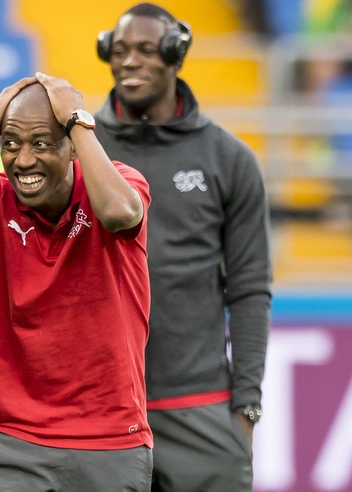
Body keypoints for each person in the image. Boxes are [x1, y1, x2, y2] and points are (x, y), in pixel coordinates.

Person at [0, 72, 153, 491]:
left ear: (72, 146)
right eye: (11, 144)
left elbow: (120, 213)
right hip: (14, 445)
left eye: (42, 143)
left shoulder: (121, 182)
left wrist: (79, 122)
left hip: (110, 444)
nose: (23, 160)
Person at [93, 3, 272, 491]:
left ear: (176, 55)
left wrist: (246, 409)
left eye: (147, 50)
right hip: (99, 413)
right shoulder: (81, 148)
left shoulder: (228, 158)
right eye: (122, 50)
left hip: (199, 410)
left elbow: (251, 288)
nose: (130, 62)